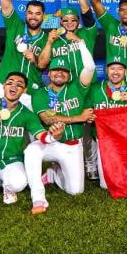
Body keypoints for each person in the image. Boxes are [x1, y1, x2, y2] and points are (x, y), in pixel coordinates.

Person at [0, 72, 64, 220]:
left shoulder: (26, 114)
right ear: (4, 86)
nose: (14, 86)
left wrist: (54, 136)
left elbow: (41, 135)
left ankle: (7, 187)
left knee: (19, 183)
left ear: (23, 91)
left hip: (11, 161)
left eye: (19, 85)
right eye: (10, 82)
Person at [25, 35, 96, 215]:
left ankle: (53, 175)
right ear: (49, 73)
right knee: (32, 150)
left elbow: (90, 67)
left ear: (69, 75)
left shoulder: (77, 88)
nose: (59, 73)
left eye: (64, 71)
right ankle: (38, 197)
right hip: (50, 143)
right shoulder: (40, 93)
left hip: (72, 145)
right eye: (55, 69)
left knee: (76, 191)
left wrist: (81, 43)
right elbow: (48, 119)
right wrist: (79, 117)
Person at [0, 0, 48, 98]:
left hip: (31, 89)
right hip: (6, 85)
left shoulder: (48, 39)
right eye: (30, 13)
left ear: (43, 16)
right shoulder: (15, 25)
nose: (33, 17)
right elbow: (5, 3)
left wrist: (35, 59)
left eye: (38, 14)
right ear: (25, 14)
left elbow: (44, 66)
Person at [38, 0, 98, 76]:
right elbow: (41, 65)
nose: (69, 23)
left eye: (73, 19)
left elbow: (85, 9)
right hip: (66, 86)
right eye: (65, 20)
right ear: (60, 22)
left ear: (79, 21)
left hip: (88, 85)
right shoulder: (53, 39)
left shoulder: (87, 33)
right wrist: (49, 43)